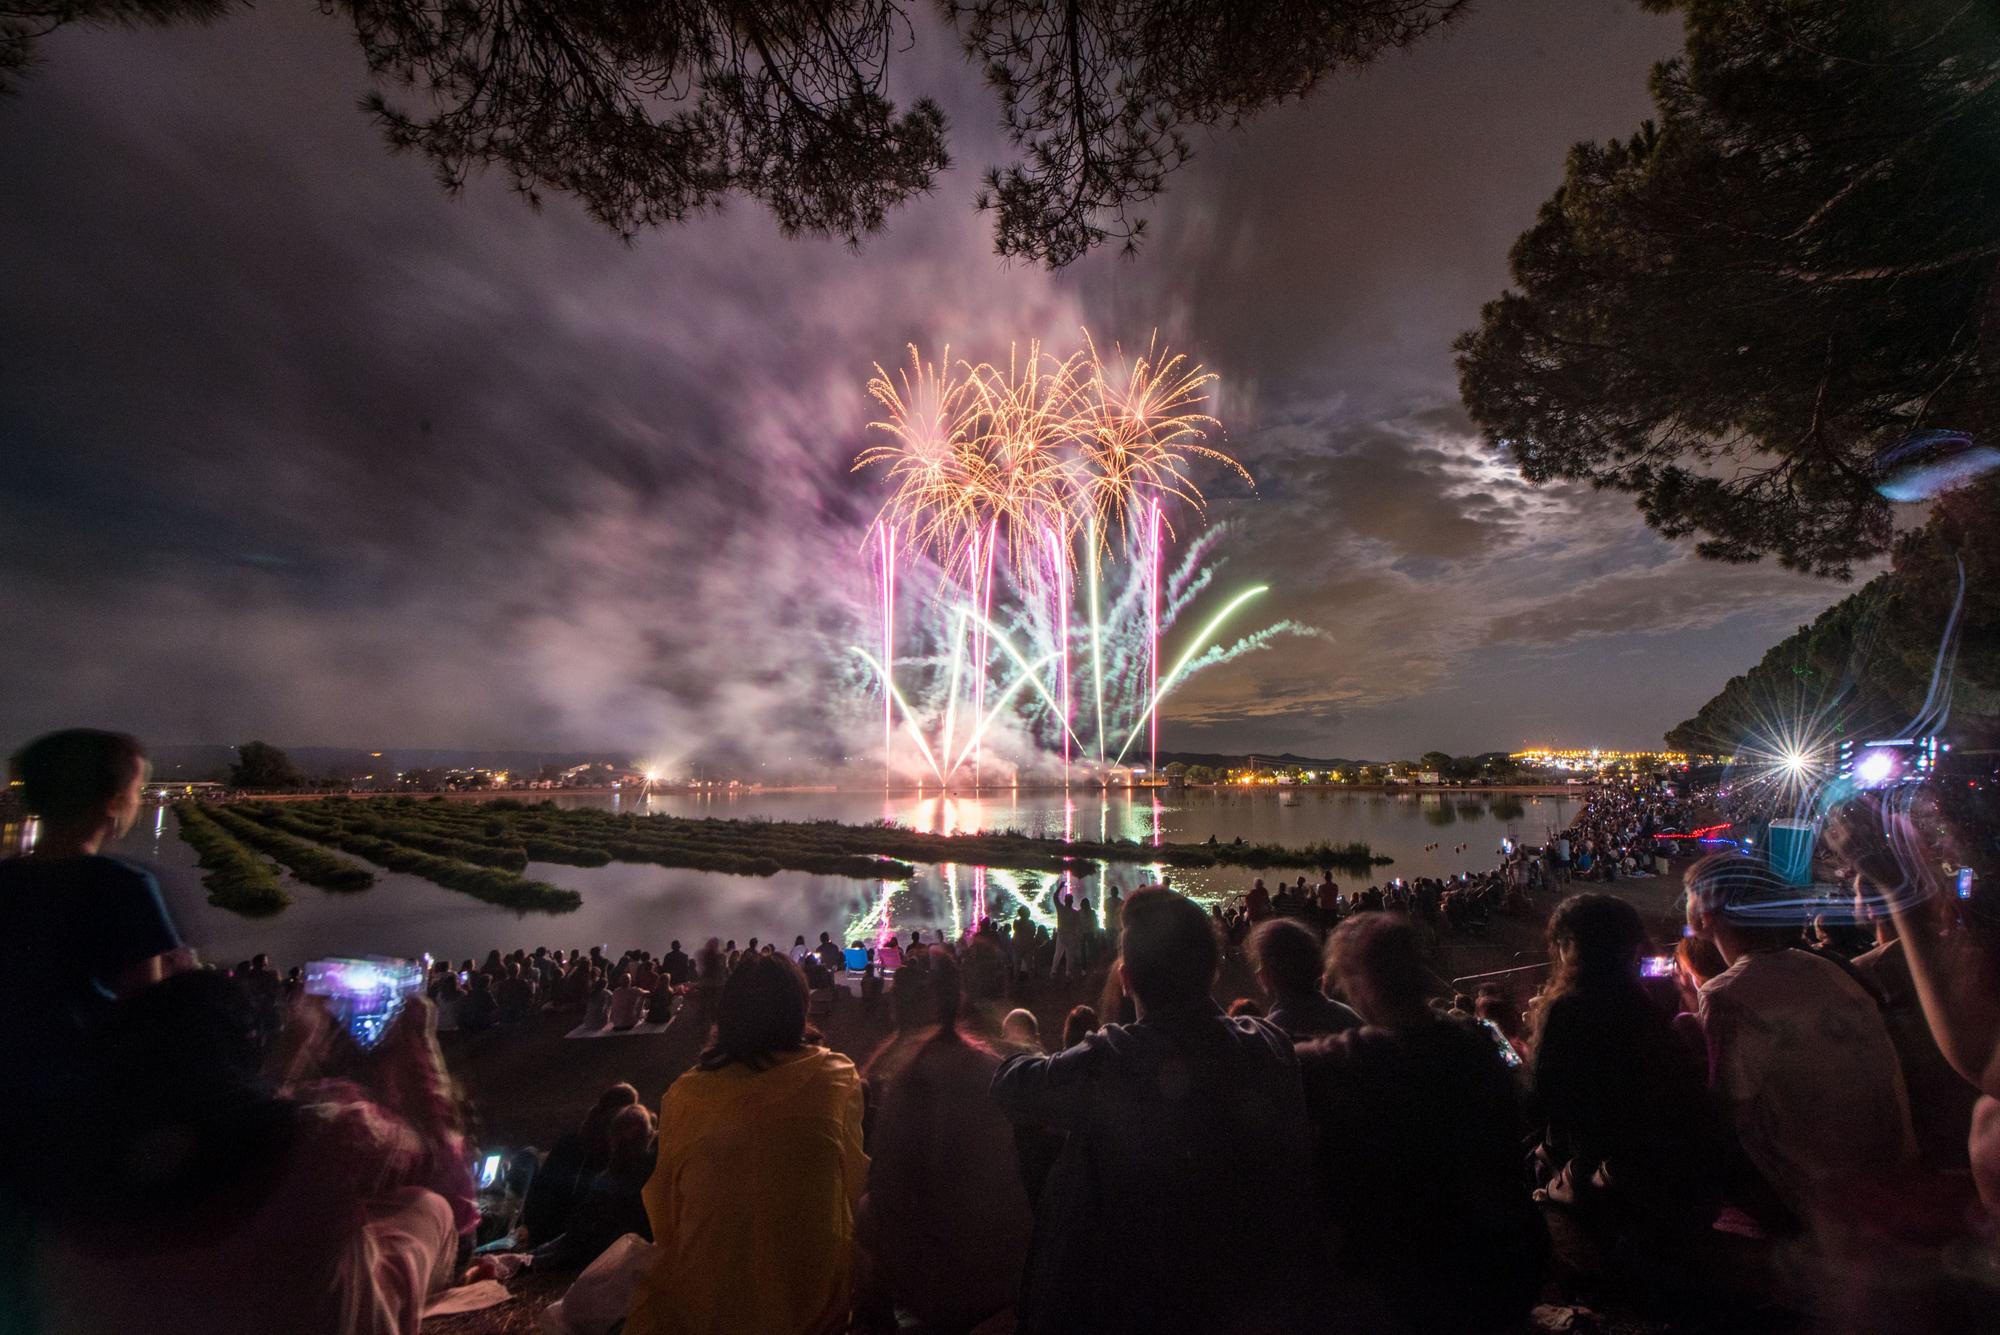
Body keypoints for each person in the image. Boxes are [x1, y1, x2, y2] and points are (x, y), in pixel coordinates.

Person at [36, 972, 473, 1335]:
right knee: (427, 1206)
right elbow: (444, 1173)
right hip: (323, 1321)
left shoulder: (69, 1172)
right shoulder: (323, 1135)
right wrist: (418, 1045)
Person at [992, 888, 1318, 1334]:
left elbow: (1013, 1089)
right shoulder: (1268, 1046)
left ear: (1126, 978)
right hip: (1255, 1296)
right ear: (1213, 971)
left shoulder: (1118, 1059)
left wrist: (1020, 1040)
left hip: (1143, 1303)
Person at [1298, 913, 1547, 1334]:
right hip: (1508, 1261)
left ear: (1360, 982)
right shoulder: (1477, 1042)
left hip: (1420, 1283)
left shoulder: (1345, 1062)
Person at [626, 953, 866, 1335]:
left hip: (707, 1309)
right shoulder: (835, 1078)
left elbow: (665, 1214)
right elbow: (853, 1186)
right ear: (798, 1009)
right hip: (813, 1308)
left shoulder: (685, 1095)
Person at [1, 730, 189, 1206]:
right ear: (111, 803)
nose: (141, 800)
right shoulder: (124, 886)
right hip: (85, 1094)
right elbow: (144, 1009)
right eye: (138, 789)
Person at [1684, 853, 1916, 1234]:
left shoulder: (1727, 993)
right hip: (1887, 1168)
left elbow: (1725, 1111)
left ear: (1707, 913)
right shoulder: (1825, 969)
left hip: (1816, 1199)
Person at [1528, 895, 1719, 1294]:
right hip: (1672, 1177)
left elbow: (1551, 1104)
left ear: (1569, 949)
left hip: (1617, 1184)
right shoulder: (1642, 1005)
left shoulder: (1569, 1010)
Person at [862, 950, 1034, 1332]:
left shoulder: (901, 1078)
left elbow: (888, 1196)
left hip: (940, 1291)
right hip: (1002, 1277)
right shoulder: (989, 1064)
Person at [529, 1103, 656, 1270]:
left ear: (613, 1139)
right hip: (624, 1253)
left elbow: (581, 1229)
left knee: (542, 1255)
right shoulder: (651, 1174)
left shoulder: (611, 1178)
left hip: (600, 1255)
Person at [1249, 918, 1362, 1040]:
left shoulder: (1270, 1034)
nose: (1258, 971)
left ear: (1272, 970)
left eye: (1261, 963)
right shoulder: (1348, 1018)